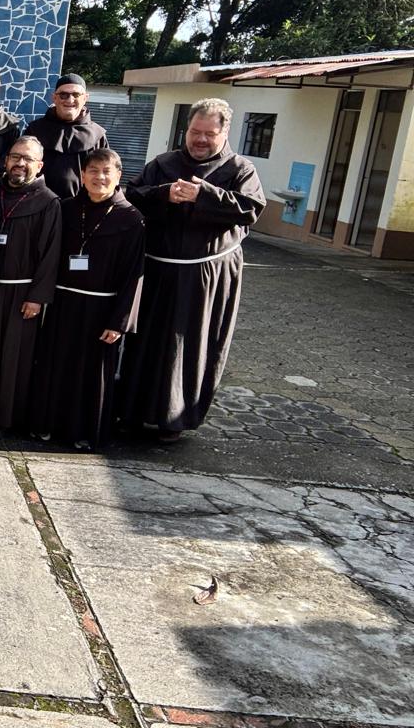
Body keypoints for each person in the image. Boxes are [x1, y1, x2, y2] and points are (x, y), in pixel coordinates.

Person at [119, 97, 266, 442]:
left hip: (206, 277)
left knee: (189, 346)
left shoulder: (240, 169)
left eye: (209, 134)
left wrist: (205, 194)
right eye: (195, 132)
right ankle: (133, 412)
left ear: (225, 132)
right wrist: (164, 194)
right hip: (158, 271)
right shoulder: (164, 163)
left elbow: (250, 209)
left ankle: (174, 419)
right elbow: (132, 196)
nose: (200, 140)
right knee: (146, 343)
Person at [32, 149, 144, 451]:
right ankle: (47, 425)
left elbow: (134, 275)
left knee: (91, 374)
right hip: (63, 303)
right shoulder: (66, 208)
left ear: (118, 176)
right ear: (82, 175)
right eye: (93, 171)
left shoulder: (131, 218)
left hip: (101, 309)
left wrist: (119, 321)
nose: (99, 177)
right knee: (55, 366)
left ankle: (83, 431)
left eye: (107, 171)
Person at [0, 136, 60, 435]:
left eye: (28, 159)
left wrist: (37, 296)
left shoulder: (48, 202)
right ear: (6, 160)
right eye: (15, 157)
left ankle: (1, 419)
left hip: (20, 293)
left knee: (10, 359)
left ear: (40, 165)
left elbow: (50, 253)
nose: (20, 164)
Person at [26, 73, 109, 199]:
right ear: (54, 98)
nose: (70, 100)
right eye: (63, 95)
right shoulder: (35, 130)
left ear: (85, 98)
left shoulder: (97, 135)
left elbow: (104, 176)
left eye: (76, 95)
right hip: (37, 202)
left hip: (81, 205)